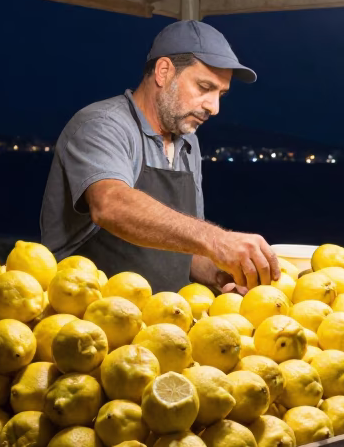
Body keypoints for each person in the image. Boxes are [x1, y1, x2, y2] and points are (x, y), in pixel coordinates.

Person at [40, 19, 278, 292]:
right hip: (87, 317)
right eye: (204, 87)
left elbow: (185, 247)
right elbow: (111, 204)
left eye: (221, 94)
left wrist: (221, 275)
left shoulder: (189, 143)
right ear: (163, 72)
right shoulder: (102, 125)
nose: (214, 108)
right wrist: (217, 240)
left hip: (162, 319)